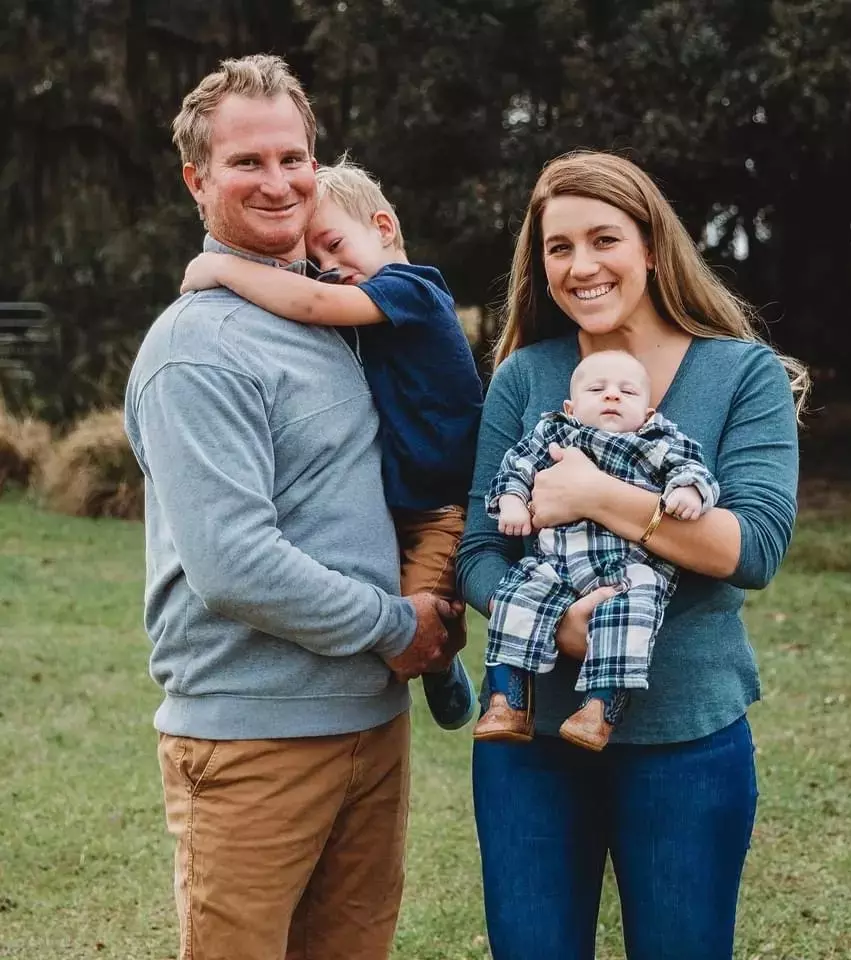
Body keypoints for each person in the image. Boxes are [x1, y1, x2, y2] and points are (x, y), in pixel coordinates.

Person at [123, 54, 462, 960]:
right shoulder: (199, 349)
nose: (277, 183)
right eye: (246, 163)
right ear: (197, 180)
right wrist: (395, 624)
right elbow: (233, 564)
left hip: (372, 725)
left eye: (293, 158)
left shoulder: (347, 319)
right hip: (254, 743)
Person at [457, 150, 806, 960]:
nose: (581, 266)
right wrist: (562, 628)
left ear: (652, 245)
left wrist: (594, 496)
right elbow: (479, 551)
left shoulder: (740, 373)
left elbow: (750, 547)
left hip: (687, 736)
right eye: (558, 247)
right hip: (531, 743)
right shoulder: (525, 378)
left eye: (603, 239)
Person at [180, 156, 484, 731]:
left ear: (384, 228)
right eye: (315, 259)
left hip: (444, 504)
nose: (328, 267)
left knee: (420, 616)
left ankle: (448, 669)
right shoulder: (365, 308)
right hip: (397, 502)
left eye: (335, 244)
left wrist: (221, 271)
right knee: (394, 600)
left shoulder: (413, 289)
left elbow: (313, 304)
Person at [474, 349, 718, 751]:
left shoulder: (656, 440)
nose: (612, 397)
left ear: (648, 411)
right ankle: (507, 701)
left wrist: (689, 491)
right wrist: (514, 501)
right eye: (597, 389)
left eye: (627, 391)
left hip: (629, 567)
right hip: (555, 560)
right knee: (515, 597)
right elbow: (514, 468)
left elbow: (692, 469)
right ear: (570, 406)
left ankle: (599, 711)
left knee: (629, 616)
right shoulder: (554, 434)